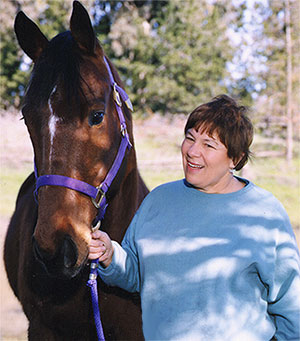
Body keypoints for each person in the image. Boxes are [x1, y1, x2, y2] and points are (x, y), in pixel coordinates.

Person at [89, 95, 300, 340]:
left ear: (236, 158)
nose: (192, 151)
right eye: (190, 138)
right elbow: (136, 273)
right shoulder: (157, 201)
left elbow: (290, 304)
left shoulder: (265, 213)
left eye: (208, 145)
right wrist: (110, 255)